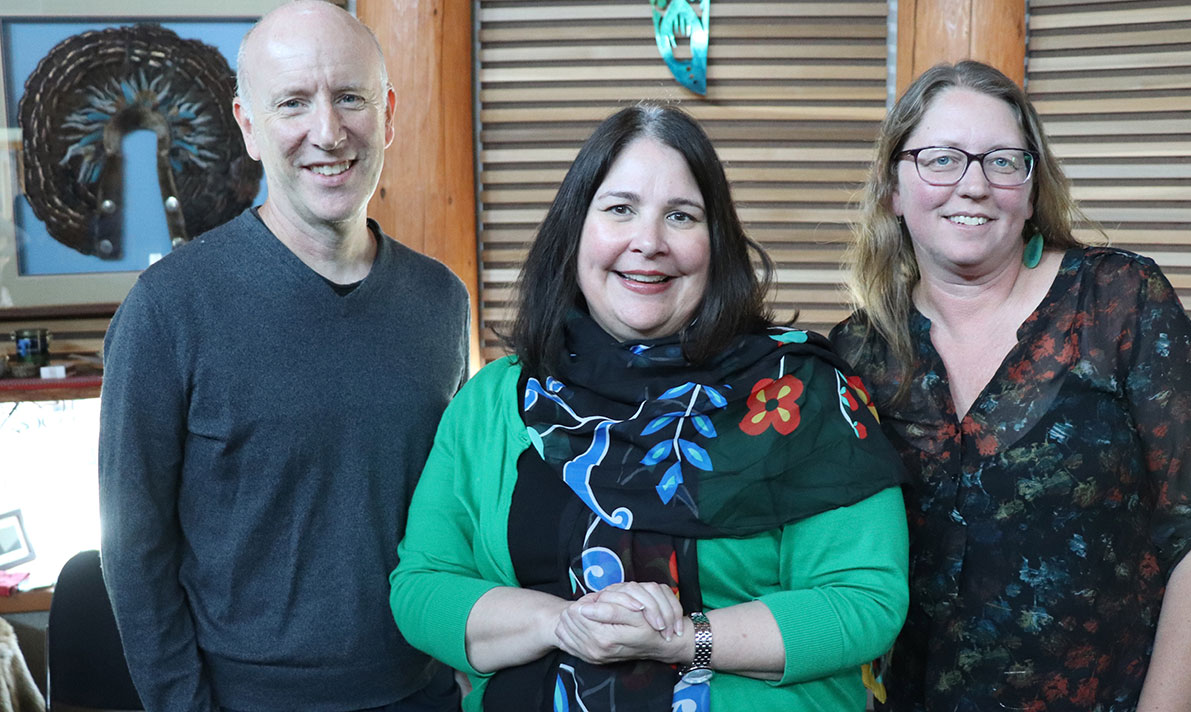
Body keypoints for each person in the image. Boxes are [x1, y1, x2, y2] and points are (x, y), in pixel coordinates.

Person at [389, 104, 910, 711]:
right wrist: (563, 623)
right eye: (619, 209)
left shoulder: (804, 396)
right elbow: (424, 586)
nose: (649, 242)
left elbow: (862, 601)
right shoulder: (495, 400)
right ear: (574, 231)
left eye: (680, 216)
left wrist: (686, 640)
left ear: (715, 243)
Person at [831, 60, 1191, 712]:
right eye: (941, 159)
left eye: (1003, 162)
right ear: (893, 185)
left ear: (1031, 189)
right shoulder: (857, 353)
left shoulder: (1122, 301)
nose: (972, 186)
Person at [98, 2, 468, 710]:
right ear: (249, 127)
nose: (328, 133)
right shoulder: (168, 308)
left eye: (350, 98)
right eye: (293, 103)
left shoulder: (441, 302)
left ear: (387, 114)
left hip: (423, 692)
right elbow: (135, 552)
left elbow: (454, 514)